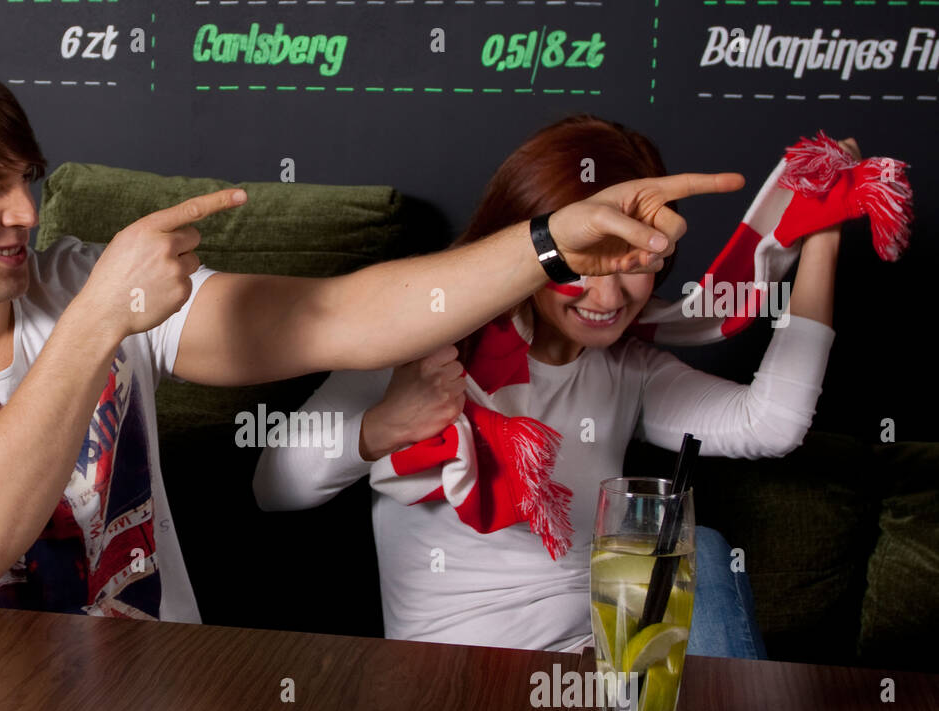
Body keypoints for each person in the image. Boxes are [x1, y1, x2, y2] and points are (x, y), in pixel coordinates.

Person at [0, 52, 739, 622]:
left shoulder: (73, 278)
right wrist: (103, 313)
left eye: (29, 176)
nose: (26, 208)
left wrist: (551, 242)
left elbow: (344, 315)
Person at [254, 115, 849, 656]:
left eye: (636, 268)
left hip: (601, 659)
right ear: (533, 254)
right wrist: (388, 424)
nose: (609, 299)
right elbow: (273, 485)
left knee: (706, 552)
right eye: (585, 268)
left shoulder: (627, 367)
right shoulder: (422, 340)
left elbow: (771, 422)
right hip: (457, 678)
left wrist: (820, 233)